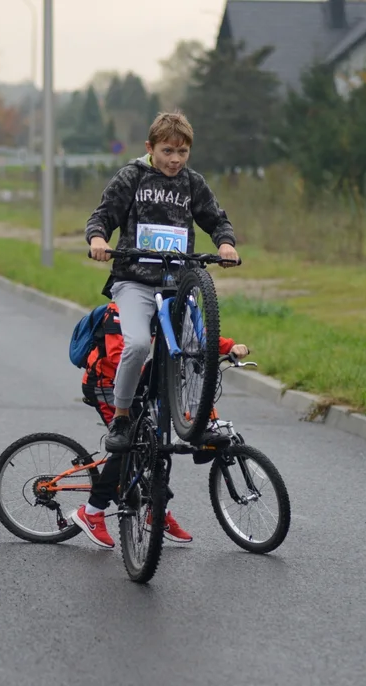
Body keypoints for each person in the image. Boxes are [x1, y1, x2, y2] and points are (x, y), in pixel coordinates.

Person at [85, 110, 240, 456]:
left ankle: (200, 419)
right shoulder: (132, 177)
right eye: (167, 151)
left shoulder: (192, 183)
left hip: (176, 285)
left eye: (182, 152)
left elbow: (216, 219)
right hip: (134, 281)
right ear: (150, 148)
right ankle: (122, 417)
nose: (174, 160)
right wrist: (97, 239)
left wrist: (225, 243)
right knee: (138, 344)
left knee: (197, 348)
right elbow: (103, 215)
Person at [72, 300, 250, 549]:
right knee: (129, 443)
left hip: (138, 388)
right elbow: (118, 356)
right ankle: (91, 512)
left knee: (156, 442)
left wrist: (229, 346)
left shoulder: (165, 306)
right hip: (106, 385)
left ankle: (156, 510)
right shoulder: (123, 308)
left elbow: (195, 337)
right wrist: (154, 365)